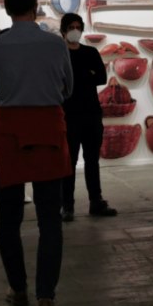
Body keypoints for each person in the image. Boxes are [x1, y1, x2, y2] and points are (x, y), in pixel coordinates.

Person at [0, 0, 73, 306]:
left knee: (9, 219)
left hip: (10, 130)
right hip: (48, 127)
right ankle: (46, 297)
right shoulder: (55, 44)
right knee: (50, 218)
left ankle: (18, 288)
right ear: (36, 7)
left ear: (7, 9)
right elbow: (67, 88)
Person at [59, 13, 116, 219]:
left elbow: (101, 77)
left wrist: (76, 76)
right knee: (70, 162)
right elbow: (60, 80)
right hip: (69, 115)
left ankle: (96, 201)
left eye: (78, 27)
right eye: (71, 27)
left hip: (91, 114)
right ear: (63, 31)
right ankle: (67, 205)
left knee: (92, 160)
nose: (75, 31)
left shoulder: (90, 52)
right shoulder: (60, 55)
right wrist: (86, 74)